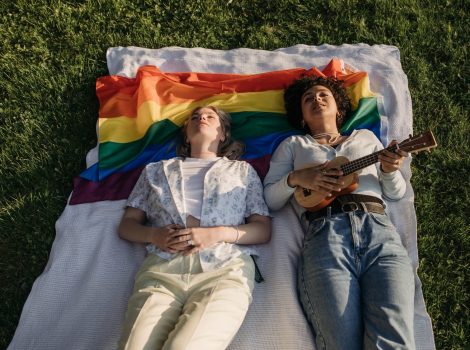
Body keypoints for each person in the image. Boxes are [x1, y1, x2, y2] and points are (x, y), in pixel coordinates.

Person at [263, 76, 415, 350]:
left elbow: (395, 193)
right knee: (340, 343)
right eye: (308, 99)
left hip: (379, 233)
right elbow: (270, 198)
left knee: (394, 341)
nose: (316, 100)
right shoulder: (294, 145)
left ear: (338, 108)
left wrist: (389, 171)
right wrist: (297, 178)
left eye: (324, 95)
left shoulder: (365, 138)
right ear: (301, 116)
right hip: (325, 237)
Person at [117, 105, 271, 350]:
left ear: (222, 135)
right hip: (162, 272)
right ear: (186, 135)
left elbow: (262, 229)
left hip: (224, 270)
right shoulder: (155, 171)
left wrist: (217, 233)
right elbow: (126, 225)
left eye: (210, 116)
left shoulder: (242, 171)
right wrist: (153, 234)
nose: (202, 118)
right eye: (195, 117)